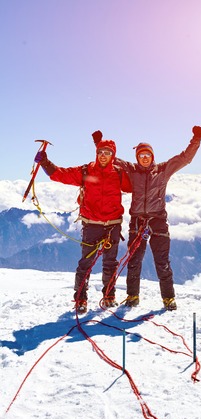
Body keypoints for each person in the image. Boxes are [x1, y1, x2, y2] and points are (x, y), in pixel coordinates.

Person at [34, 131, 132, 314]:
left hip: (112, 224)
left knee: (110, 263)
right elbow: (61, 174)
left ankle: (109, 296)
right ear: (97, 153)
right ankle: (80, 299)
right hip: (92, 223)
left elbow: (137, 186)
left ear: (113, 155)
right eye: (101, 152)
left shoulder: (119, 174)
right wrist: (45, 163)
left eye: (107, 153)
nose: (103, 156)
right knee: (86, 263)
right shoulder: (86, 171)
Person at [111, 125, 201, 311]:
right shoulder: (131, 169)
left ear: (152, 156)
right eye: (141, 156)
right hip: (138, 221)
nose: (144, 159)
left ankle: (168, 298)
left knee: (162, 261)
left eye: (147, 155)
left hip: (158, 221)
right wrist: (99, 143)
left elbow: (185, 158)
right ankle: (132, 296)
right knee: (134, 261)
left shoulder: (163, 170)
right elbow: (111, 158)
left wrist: (196, 139)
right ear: (137, 158)